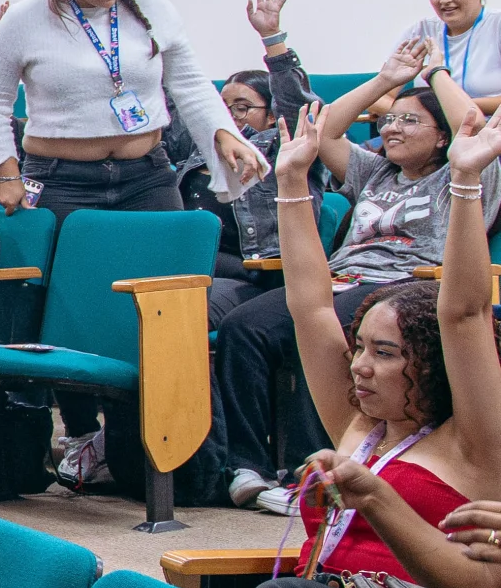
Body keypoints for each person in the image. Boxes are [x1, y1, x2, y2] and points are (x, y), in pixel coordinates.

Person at [0, 0, 266, 488]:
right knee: (68, 305)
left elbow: (188, 84)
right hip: (60, 177)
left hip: (146, 174)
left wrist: (223, 134)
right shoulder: (27, 20)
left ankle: (160, 443)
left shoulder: (152, 6)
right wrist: (5, 172)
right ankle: (81, 432)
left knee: (170, 295)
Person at [242, 99, 501, 588]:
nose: (358, 366)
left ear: (433, 366)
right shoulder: (360, 424)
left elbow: (463, 313)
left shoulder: (475, 444)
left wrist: (463, 178)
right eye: (360, 347)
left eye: (383, 354)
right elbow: (310, 307)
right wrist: (290, 180)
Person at [208, 43, 486, 512]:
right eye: (389, 119)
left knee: (319, 331)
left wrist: (434, 69)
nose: (393, 128)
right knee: (246, 325)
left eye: (410, 120)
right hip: (342, 280)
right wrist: (386, 79)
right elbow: (324, 131)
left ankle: (309, 472)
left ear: (443, 138)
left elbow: (472, 129)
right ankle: (249, 467)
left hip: (405, 286)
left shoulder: (464, 174)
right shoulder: (376, 172)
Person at [191, 0, 318, 319]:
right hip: (185, 268)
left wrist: (273, 39)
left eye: (243, 107)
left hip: (247, 278)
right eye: (224, 108)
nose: (230, 117)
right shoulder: (199, 151)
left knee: (177, 309)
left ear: (273, 116)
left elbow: (297, 106)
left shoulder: (283, 150)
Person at [394, 0, 501, 114]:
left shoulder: (496, 25)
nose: (443, 0)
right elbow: (379, 97)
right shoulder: (421, 31)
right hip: (429, 133)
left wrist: (447, 108)